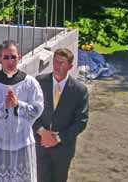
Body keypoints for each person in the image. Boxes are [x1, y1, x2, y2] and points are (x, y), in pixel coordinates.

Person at [0, 40, 44, 182]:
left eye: (13, 57)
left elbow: (37, 110)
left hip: (22, 141)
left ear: (19, 57)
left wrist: (18, 104)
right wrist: (4, 107)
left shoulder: (30, 83)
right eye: (6, 57)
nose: (10, 61)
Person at [34, 48, 89, 182]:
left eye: (61, 63)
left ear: (70, 66)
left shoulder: (79, 90)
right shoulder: (39, 82)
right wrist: (42, 132)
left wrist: (57, 138)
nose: (57, 66)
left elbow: (81, 121)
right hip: (40, 145)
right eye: (55, 62)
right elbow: (31, 112)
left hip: (63, 149)